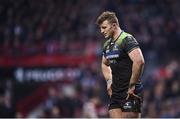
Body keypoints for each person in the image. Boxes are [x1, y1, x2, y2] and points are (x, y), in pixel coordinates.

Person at [96, 11, 145, 118]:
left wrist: (132, 85)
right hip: (115, 94)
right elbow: (104, 64)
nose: (101, 31)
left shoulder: (126, 39)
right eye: (100, 28)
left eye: (104, 27)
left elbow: (139, 61)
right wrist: (109, 81)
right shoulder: (107, 44)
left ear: (114, 25)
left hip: (130, 92)